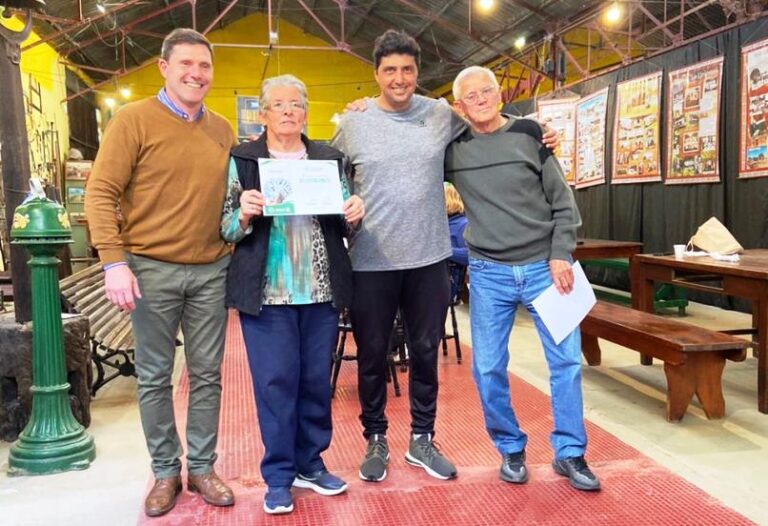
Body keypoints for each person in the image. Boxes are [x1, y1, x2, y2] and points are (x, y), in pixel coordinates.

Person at [332, 29, 558, 483]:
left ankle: (422, 439)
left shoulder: (438, 114)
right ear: (375, 75)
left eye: (408, 70)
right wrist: (344, 205)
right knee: (373, 355)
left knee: (424, 353)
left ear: (417, 73)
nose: (399, 79)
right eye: (390, 70)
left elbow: (486, 118)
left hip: (429, 259)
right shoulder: (353, 124)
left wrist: (536, 129)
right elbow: (329, 171)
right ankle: (375, 438)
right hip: (370, 261)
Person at [85, 28, 236, 517]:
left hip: (212, 268)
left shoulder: (222, 129)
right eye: (187, 64)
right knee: (153, 376)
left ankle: (203, 468)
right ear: (165, 68)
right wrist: (114, 261)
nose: (197, 74)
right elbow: (101, 193)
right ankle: (166, 472)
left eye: (205, 66)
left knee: (208, 374)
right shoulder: (133, 121)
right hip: (150, 269)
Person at [445, 66, 600, 492]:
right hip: (488, 272)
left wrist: (559, 253)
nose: (480, 100)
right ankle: (510, 446)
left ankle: (571, 453)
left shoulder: (531, 135)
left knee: (566, 364)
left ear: (499, 95)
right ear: (458, 106)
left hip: (545, 269)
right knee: (488, 366)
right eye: (470, 96)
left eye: (487, 92)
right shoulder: (452, 150)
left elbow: (562, 202)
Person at [221, 74, 364, 515]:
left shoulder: (327, 157)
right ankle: (279, 475)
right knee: (275, 383)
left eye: (296, 105)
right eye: (278, 105)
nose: (288, 112)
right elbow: (225, 225)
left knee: (315, 383)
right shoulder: (244, 159)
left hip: (320, 289)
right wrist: (243, 214)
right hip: (268, 293)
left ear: (306, 112)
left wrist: (354, 212)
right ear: (263, 114)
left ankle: (311, 463)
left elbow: (344, 222)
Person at [444, 182, 468, 301]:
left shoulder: (462, 225)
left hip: (451, 283)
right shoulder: (443, 224)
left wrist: (444, 250)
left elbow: (468, 256)